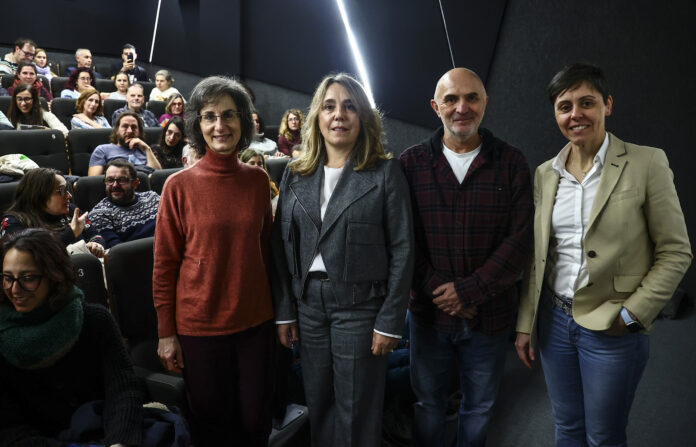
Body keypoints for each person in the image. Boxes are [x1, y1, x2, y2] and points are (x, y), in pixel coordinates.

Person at [515, 63, 692, 447]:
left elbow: (676, 251)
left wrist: (632, 315)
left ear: (607, 105)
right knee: (567, 427)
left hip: (612, 325)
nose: (575, 114)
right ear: (556, 114)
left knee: (603, 436)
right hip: (554, 322)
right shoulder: (546, 173)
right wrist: (526, 323)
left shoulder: (647, 162)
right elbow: (539, 258)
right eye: (564, 107)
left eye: (586, 102)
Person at [271, 73, 414, 447]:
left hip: (360, 309)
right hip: (308, 308)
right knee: (319, 402)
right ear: (317, 117)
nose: (339, 115)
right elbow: (280, 246)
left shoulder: (385, 172)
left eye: (350, 106)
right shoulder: (294, 173)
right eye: (330, 106)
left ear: (363, 117)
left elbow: (403, 249)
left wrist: (390, 321)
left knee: (357, 407)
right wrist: (285, 311)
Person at [399, 67, 533, 447]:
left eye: (472, 98)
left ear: (485, 103)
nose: (462, 107)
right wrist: (442, 292)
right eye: (451, 99)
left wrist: (468, 291)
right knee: (427, 404)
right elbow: (404, 240)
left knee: (479, 408)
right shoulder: (409, 164)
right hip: (429, 317)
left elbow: (519, 242)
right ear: (435, 106)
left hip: (490, 318)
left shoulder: (512, 163)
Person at [153, 76, 275, 446]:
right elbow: (164, 266)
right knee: (213, 426)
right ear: (198, 124)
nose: (220, 125)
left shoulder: (258, 180)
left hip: (255, 323)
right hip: (200, 328)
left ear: (243, 121)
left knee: (256, 422)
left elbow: (266, 252)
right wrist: (165, 333)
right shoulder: (178, 186)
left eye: (228, 115)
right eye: (209, 116)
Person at [0, 228, 143, 445]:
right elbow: (8, 427)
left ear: (54, 276)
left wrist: (120, 441)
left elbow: (123, 390)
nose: (15, 289)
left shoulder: (95, 320)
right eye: (7, 278)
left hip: (106, 433)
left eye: (28, 278)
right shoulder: (3, 340)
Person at [0, 168, 105, 258]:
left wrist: (96, 245)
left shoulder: (71, 210)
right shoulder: (13, 222)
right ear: (40, 195)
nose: (69, 196)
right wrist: (71, 233)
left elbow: (95, 235)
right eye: (62, 190)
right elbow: (24, 257)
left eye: (68, 189)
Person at [89, 159, 159, 248]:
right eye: (110, 180)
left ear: (135, 183)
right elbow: (117, 251)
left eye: (122, 180)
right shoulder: (99, 214)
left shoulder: (153, 198)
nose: (115, 185)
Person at [88, 111, 162, 176]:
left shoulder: (145, 150)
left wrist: (147, 149)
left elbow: (157, 178)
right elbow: (94, 181)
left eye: (134, 127)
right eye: (125, 126)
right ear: (117, 130)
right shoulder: (102, 150)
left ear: (139, 132)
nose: (130, 131)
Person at [239, 148, 279, 213]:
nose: (256, 166)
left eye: (259, 163)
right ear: (243, 164)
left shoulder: (269, 183)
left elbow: (278, 202)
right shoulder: (238, 185)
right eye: (252, 163)